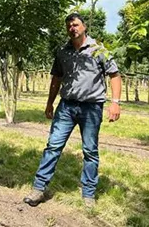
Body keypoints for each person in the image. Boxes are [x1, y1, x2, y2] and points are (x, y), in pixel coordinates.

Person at [23, 13, 122, 208]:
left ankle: (88, 195)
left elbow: (115, 75)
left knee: (90, 151)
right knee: (53, 146)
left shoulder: (98, 49)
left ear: (84, 27)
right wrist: (49, 103)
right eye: (69, 26)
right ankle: (39, 188)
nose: (72, 28)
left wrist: (115, 102)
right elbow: (56, 79)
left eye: (75, 25)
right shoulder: (62, 51)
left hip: (92, 107)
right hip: (66, 106)